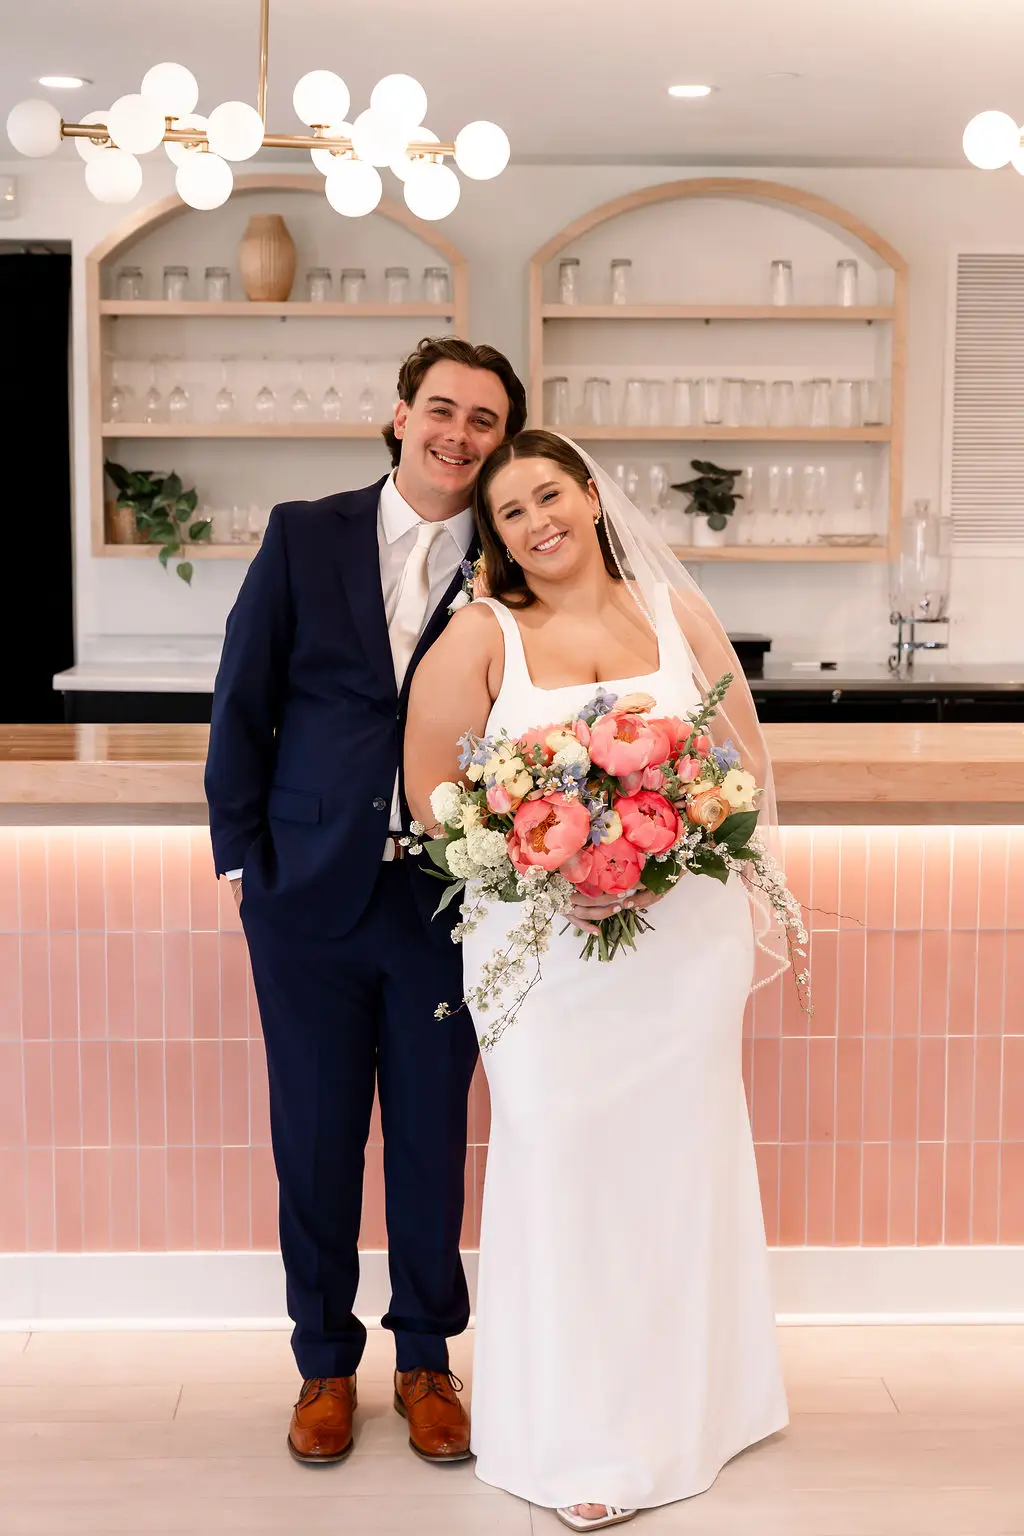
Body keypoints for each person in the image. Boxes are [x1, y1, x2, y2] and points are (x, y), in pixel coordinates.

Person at [405, 431, 789, 1530]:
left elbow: (744, 767)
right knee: (561, 1158)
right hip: (542, 959)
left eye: (546, 494)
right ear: (495, 536)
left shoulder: (679, 618)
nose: (535, 521)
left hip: (682, 948)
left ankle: (703, 1405)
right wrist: (546, 862)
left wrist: (660, 854)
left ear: (587, 494)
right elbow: (435, 794)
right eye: (508, 511)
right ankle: (573, 1433)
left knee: (678, 1162)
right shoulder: (483, 635)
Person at [205, 337, 527, 1468]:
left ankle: (427, 1358)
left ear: (502, 445)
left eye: (484, 421)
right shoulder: (306, 532)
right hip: (305, 893)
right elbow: (242, 694)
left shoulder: (515, 558)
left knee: (434, 1141)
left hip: (448, 899)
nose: (459, 434)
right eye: (442, 410)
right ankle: (322, 1365)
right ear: (399, 417)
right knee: (316, 1138)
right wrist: (242, 860)